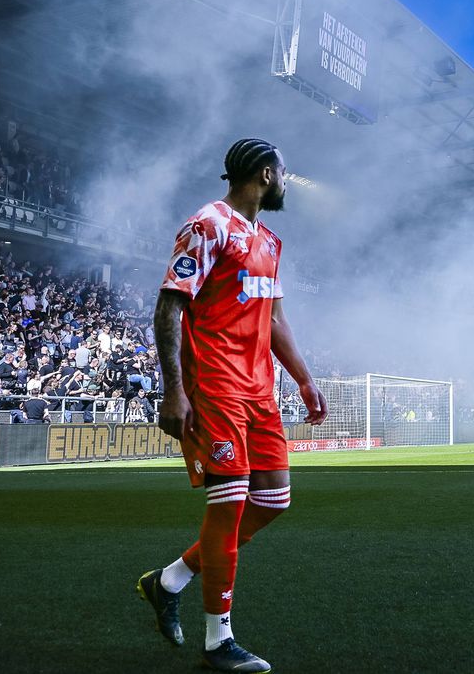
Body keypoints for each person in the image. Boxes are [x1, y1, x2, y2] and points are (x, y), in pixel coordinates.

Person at [136, 139, 327, 673]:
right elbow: (169, 306)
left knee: (274, 501)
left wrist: (305, 382)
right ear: (266, 174)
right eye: (284, 173)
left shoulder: (268, 240)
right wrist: (173, 388)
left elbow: (276, 323)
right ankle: (218, 640)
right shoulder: (208, 224)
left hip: (260, 390)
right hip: (215, 386)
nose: (287, 182)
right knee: (230, 503)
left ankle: (168, 580)